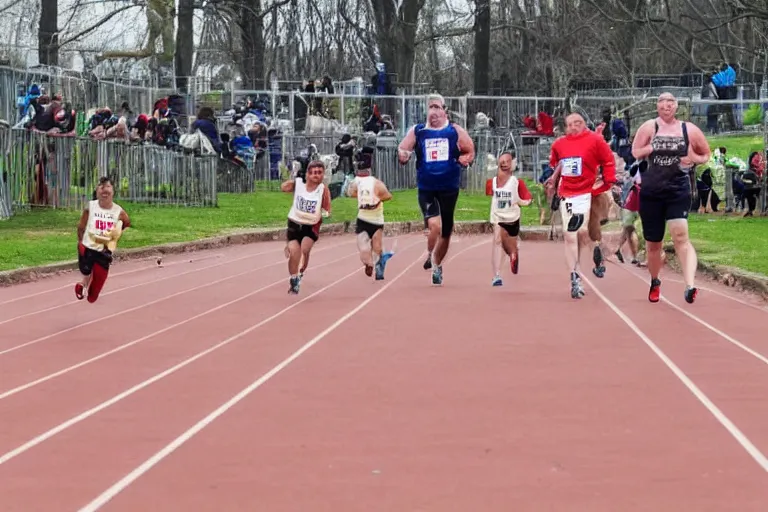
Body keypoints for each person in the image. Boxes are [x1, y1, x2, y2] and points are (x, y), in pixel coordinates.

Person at [631, 93, 711, 304]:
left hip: (677, 190)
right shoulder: (649, 127)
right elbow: (635, 151)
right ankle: (655, 280)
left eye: (670, 103)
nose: (666, 106)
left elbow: (706, 154)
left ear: (676, 106)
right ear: (657, 106)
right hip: (651, 192)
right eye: (661, 102)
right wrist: (652, 147)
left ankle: (690, 285)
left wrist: (693, 159)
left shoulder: (689, 130)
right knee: (654, 245)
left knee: (680, 236)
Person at [397, 93, 475, 285]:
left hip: (449, 186)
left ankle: (437, 264)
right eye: (430, 107)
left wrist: (466, 159)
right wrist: (403, 155)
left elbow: (470, 150)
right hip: (427, 187)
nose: (433, 111)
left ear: (444, 110)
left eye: (437, 107)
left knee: (446, 230)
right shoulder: (418, 131)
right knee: (435, 226)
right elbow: (403, 148)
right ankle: (431, 254)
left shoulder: (454, 130)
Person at [549, 112, 617, 299]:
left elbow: (608, 161)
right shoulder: (559, 144)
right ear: (565, 127)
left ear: (584, 124)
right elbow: (556, 163)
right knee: (571, 236)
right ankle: (574, 277)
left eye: (578, 123)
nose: (574, 127)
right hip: (567, 195)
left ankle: (597, 252)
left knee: (583, 232)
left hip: (588, 193)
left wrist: (607, 181)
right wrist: (553, 180)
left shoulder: (595, 141)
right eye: (570, 124)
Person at [75, 177, 131, 303]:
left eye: (108, 188)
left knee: (93, 297)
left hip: (104, 252)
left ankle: (88, 287)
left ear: (113, 191)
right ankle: (82, 284)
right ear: (97, 191)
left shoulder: (119, 211)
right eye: (101, 188)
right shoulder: (90, 207)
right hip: (88, 247)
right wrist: (81, 242)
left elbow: (126, 223)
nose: (104, 191)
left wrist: (115, 235)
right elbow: (81, 227)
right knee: (86, 269)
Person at [281, 160, 331, 294]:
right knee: (294, 253)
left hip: (311, 226)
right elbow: (283, 187)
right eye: (314, 173)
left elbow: (327, 206)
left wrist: (326, 213)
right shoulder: (299, 185)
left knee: (304, 249)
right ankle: (293, 278)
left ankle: (302, 267)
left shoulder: (323, 189)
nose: (317, 176)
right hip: (294, 222)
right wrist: (295, 177)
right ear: (308, 174)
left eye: (320, 173)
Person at [485, 151, 532, 286]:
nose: (504, 166)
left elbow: (527, 199)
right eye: (501, 163)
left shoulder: (517, 183)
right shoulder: (492, 183)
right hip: (498, 217)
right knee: (497, 241)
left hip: (513, 218)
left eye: (507, 162)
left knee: (509, 245)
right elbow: (491, 195)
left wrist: (522, 202)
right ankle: (497, 275)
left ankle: (513, 254)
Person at [346, 156, 395, 280]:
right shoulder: (356, 183)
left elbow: (389, 196)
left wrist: (376, 199)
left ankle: (380, 264)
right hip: (362, 218)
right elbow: (350, 193)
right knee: (363, 247)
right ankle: (369, 264)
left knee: (376, 246)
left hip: (376, 219)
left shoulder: (377, 184)